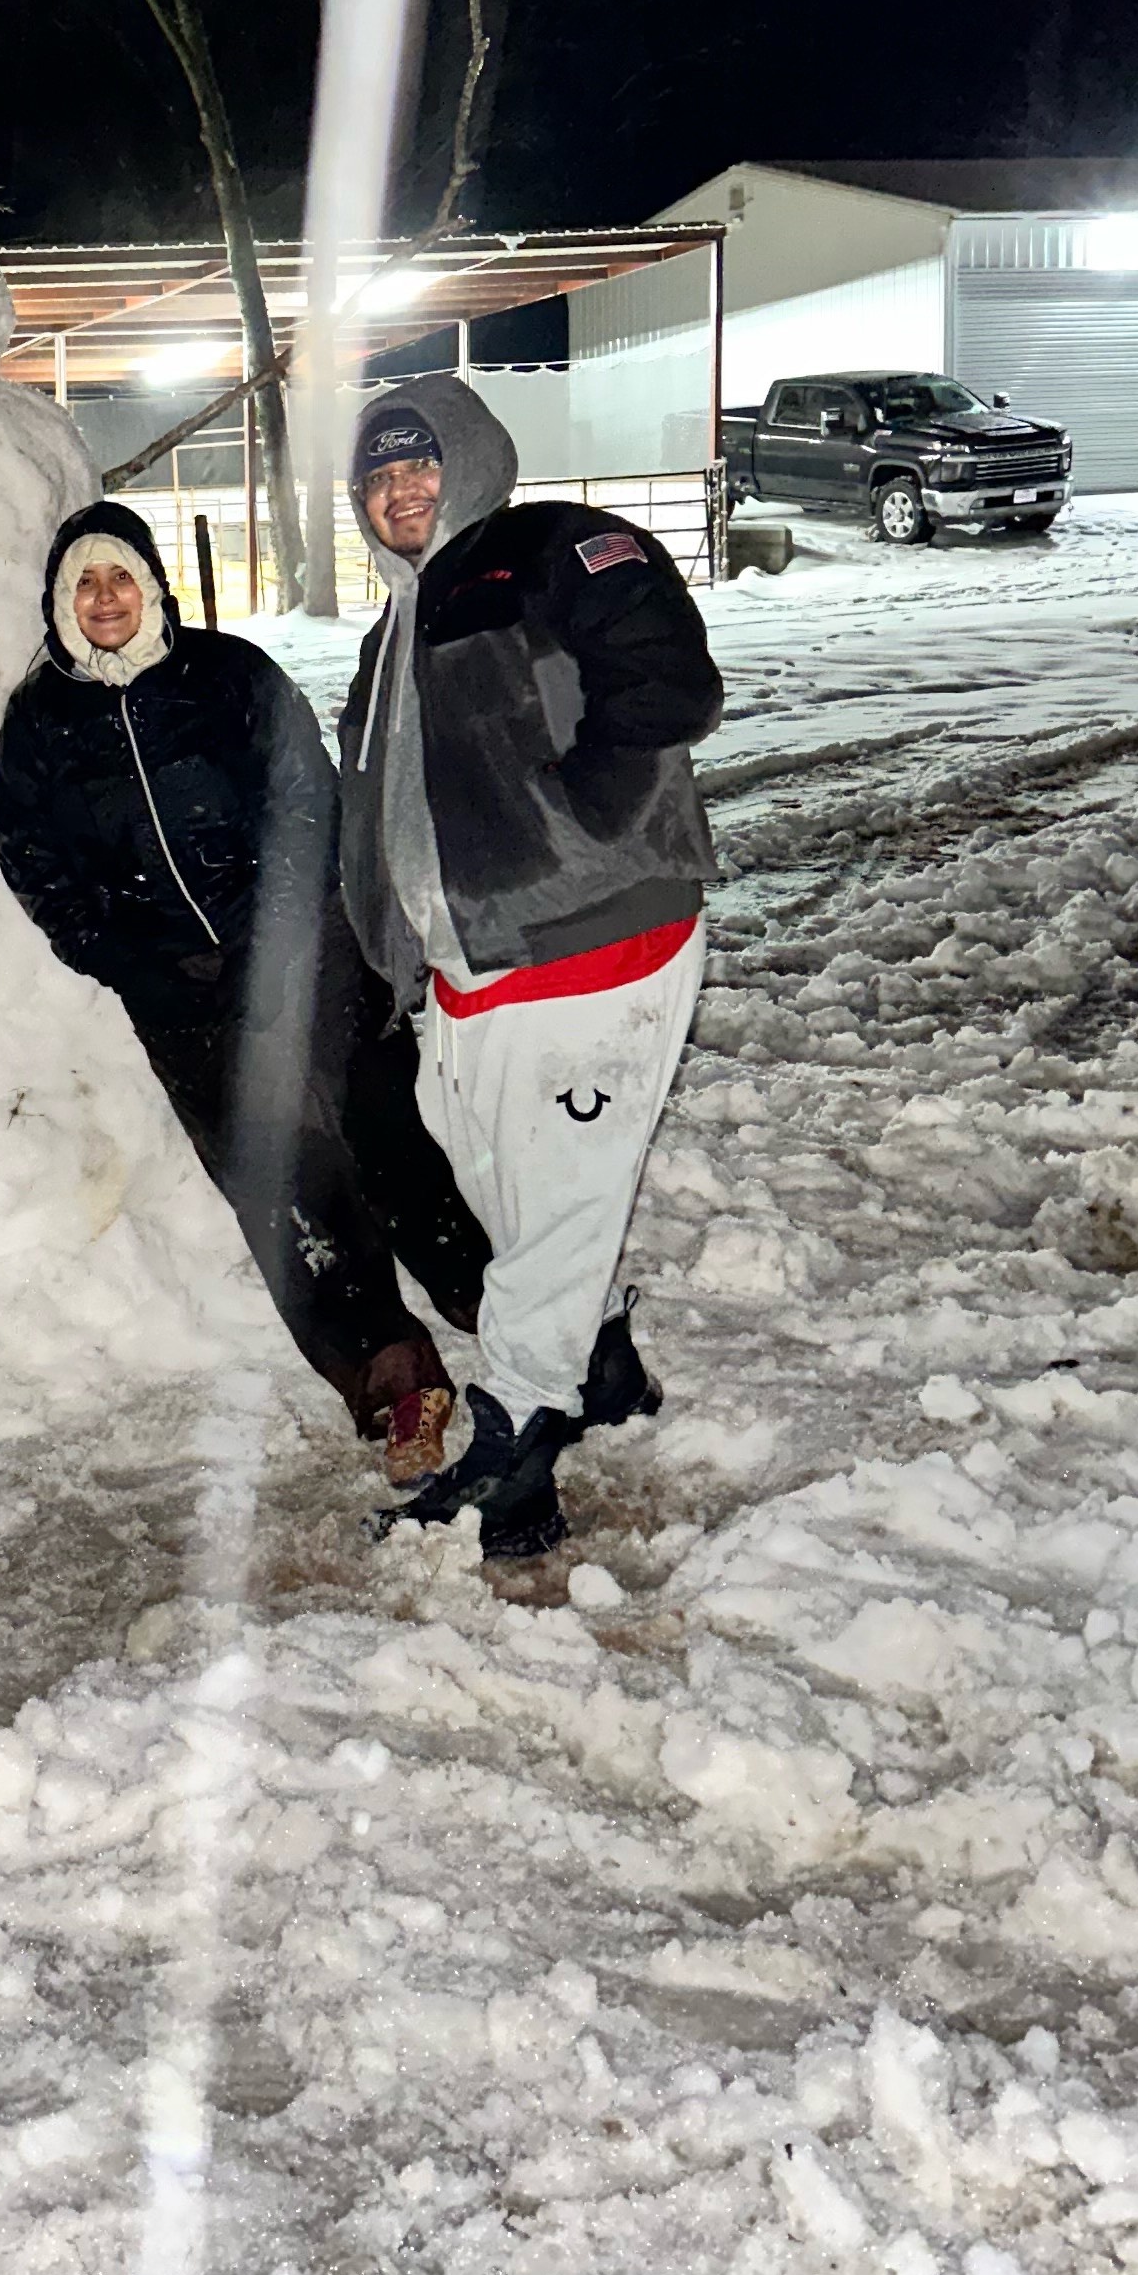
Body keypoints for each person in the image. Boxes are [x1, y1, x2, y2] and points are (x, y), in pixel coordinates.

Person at [0, 499, 488, 1452]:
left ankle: (499, 1310)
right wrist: (132, 960)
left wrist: (282, 925)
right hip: (179, 993)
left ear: (152, 585)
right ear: (59, 599)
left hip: (313, 953)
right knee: (284, 1184)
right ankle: (389, 1376)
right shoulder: (39, 722)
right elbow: (36, 862)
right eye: (84, 582)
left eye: (120, 576)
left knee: (386, 1137)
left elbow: (307, 796)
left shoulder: (228, 675)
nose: (104, 598)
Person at [337, 379, 722, 1562]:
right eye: (379, 478)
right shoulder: (391, 629)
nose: (402, 492)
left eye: (420, 465)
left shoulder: (547, 550)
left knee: (551, 1201)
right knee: (508, 1187)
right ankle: (597, 1355)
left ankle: (518, 1445)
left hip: (592, 942)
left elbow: (668, 682)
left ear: (472, 461)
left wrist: (581, 831)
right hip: (467, 969)